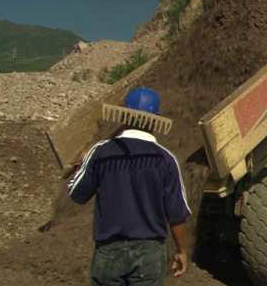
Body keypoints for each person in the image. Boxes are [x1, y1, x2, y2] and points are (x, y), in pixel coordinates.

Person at [68, 87, 191, 286]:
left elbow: (77, 194)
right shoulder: (166, 159)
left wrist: (81, 165)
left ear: (124, 115)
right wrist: (182, 251)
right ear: (155, 119)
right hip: (149, 253)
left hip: (108, 250)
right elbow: (177, 214)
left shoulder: (101, 152)